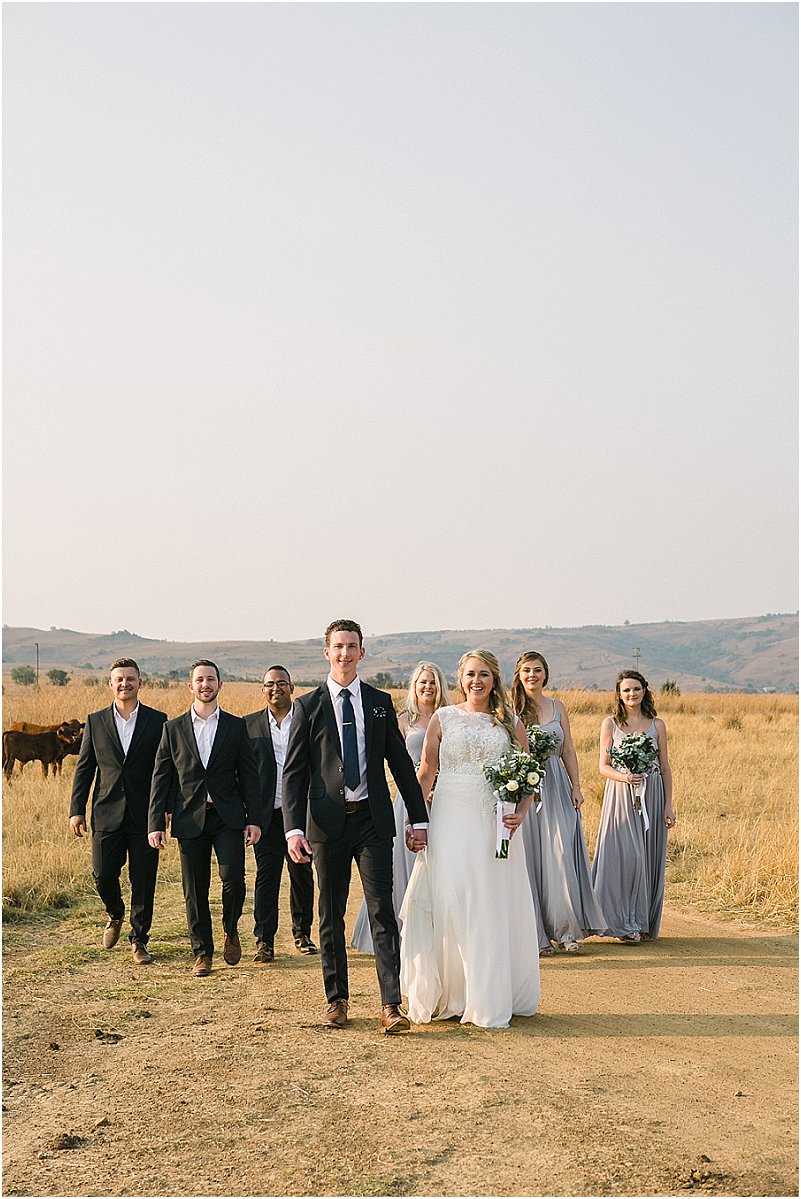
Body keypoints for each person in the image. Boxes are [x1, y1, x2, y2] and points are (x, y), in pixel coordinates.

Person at [282, 619, 429, 1034]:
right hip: (325, 825)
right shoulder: (307, 706)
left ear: (362, 652)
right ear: (326, 652)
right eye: (337, 647)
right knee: (329, 913)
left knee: (383, 910)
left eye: (352, 646)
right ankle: (337, 1000)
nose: (344, 654)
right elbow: (293, 773)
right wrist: (294, 829)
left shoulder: (379, 702)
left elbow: (401, 764)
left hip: (372, 821)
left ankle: (391, 1005)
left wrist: (419, 819)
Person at [400, 650, 541, 1029]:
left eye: (483, 674)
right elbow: (427, 772)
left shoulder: (509, 722)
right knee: (450, 900)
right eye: (469, 675)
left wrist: (521, 814)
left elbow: (529, 773)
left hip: (493, 823)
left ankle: (487, 993)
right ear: (459, 679)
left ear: (494, 679)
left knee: (486, 902)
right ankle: (454, 993)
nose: (476, 681)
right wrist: (417, 823)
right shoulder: (443, 719)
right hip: (449, 818)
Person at [148, 660, 262, 976]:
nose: (205, 684)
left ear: (220, 685)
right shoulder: (172, 729)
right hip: (189, 818)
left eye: (210, 679)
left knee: (234, 880)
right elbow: (162, 777)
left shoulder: (237, 727)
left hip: (228, 817)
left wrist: (254, 819)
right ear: (191, 686)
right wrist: (155, 822)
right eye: (199, 680)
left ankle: (230, 928)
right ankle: (202, 952)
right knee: (194, 889)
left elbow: (249, 776)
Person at [69, 659, 167, 963]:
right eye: (119, 680)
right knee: (102, 874)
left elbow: (165, 771)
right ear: (111, 684)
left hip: (144, 816)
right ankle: (114, 913)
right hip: (106, 813)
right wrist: (76, 809)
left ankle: (139, 940)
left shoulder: (158, 720)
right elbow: (84, 769)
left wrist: (164, 810)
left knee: (143, 880)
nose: (125, 684)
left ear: (140, 683)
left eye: (130, 679)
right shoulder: (95, 722)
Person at [351, 661, 450, 953]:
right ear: (414, 686)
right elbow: (391, 760)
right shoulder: (402, 719)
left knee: (440, 865)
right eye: (422, 682)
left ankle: (438, 934)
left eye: (433, 682)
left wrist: (438, 784)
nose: (428, 687)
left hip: (444, 799)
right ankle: (398, 934)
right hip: (409, 799)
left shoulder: (449, 717)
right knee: (401, 868)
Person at [511, 652, 607, 955]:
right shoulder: (509, 708)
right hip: (522, 788)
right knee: (529, 859)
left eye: (537, 670)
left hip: (555, 784)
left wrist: (576, 786)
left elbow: (567, 747)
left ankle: (566, 931)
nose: (532, 675)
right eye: (527, 670)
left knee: (560, 853)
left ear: (545, 674)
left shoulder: (557, 707)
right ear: (518, 674)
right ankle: (536, 935)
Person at [592, 671, 676, 942]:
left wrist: (668, 805)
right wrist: (626, 777)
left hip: (651, 795)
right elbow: (603, 767)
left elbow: (664, 767)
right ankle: (623, 923)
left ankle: (641, 923)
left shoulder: (657, 725)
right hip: (620, 794)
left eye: (636, 689)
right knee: (628, 857)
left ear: (644, 691)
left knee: (647, 858)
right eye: (626, 690)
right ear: (618, 693)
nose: (632, 694)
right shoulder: (611, 724)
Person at [244, 666, 316, 962]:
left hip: (300, 812)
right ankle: (264, 939)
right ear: (263, 690)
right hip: (265, 815)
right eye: (270, 684)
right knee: (267, 875)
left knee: (301, 873)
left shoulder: (307, 721)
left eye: (282, 683)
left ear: (292, 688)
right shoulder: (248, 726)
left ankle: (302, 933)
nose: (276, 689)